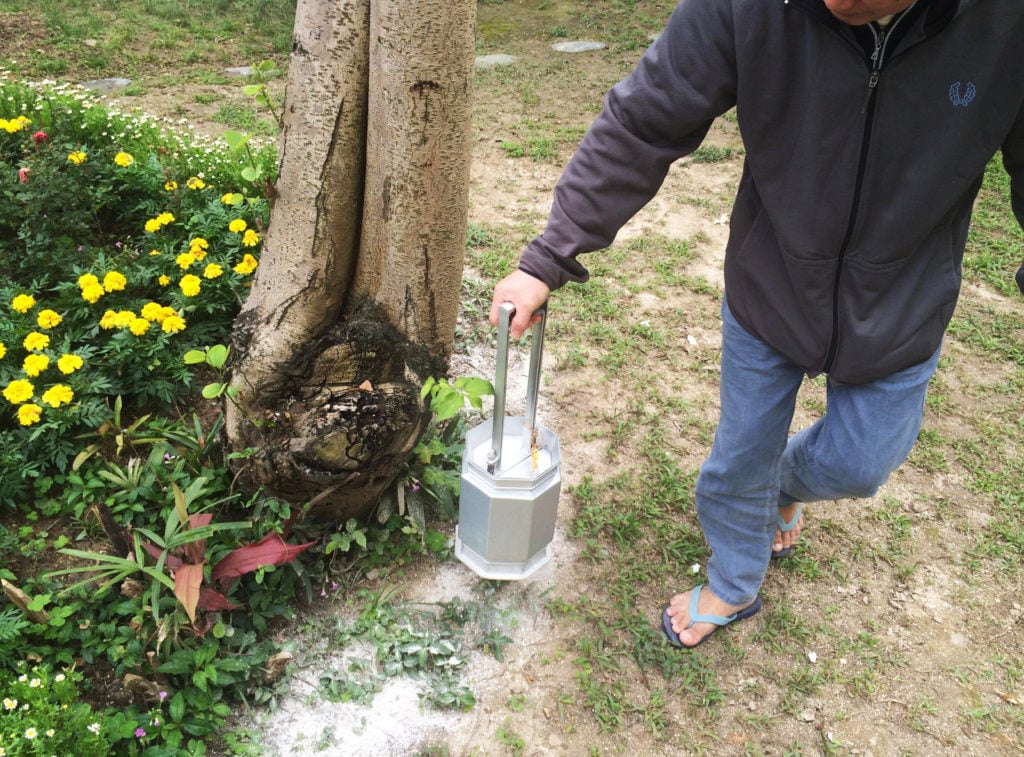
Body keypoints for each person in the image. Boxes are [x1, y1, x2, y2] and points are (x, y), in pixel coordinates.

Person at [489, 0, 1024, 648]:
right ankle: (736, 580)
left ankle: (786, 488)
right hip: (770, 282)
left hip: (903, 301)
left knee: (863, 462)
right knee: (740, 459)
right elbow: (644, 119)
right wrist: (550, 254)